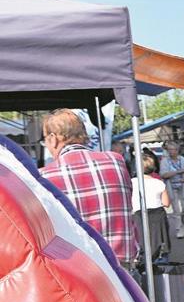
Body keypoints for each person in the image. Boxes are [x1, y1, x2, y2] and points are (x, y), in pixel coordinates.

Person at [40, 109, 139, 269]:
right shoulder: (116, 161)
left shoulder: (45, 176)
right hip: (120, 261)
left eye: (45, 139)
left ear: (53, 138)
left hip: (80, 266)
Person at [132, 151, 171, 260]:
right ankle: (161, 271)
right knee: (161, 246)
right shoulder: (159, 183)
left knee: (141, 244)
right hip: (157, 216)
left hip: (138, 215)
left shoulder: (132, 183)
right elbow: (166, 203)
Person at [159, 143, 184, 238]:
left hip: (182, 186)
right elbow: (164, 175)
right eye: (169, 149)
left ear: (177, 150)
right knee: (176, 209)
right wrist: (179, 171)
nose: (170, 151)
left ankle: (183, 225)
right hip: (171, 187)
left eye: (172, 149)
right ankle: (179, 229)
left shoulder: (182, 159)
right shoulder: (165, 161)